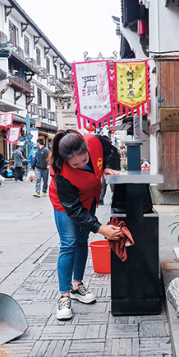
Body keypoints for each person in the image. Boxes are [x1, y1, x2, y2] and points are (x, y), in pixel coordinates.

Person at [49, 129, 122, 320]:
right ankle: (64, 295)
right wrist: (101, 228)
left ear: (86, 148)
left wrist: (105, 166)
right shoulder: (60, 173)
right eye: (75, 164)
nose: (82, 165)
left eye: (85, 159)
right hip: (66, 206)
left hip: (89, 197)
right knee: (69, 243)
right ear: (65, 161)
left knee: (82, 240)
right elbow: (73, 210)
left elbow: (111, 150)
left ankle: (77, 285)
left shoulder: (94, 141)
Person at [99, 136, 121, 205]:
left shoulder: (110, 149)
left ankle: (111, 200)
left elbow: (111, 159)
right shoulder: (112, 148)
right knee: (106, 185)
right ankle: (102, 199)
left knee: (110, 185)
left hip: (111, 170)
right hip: (110, 169)